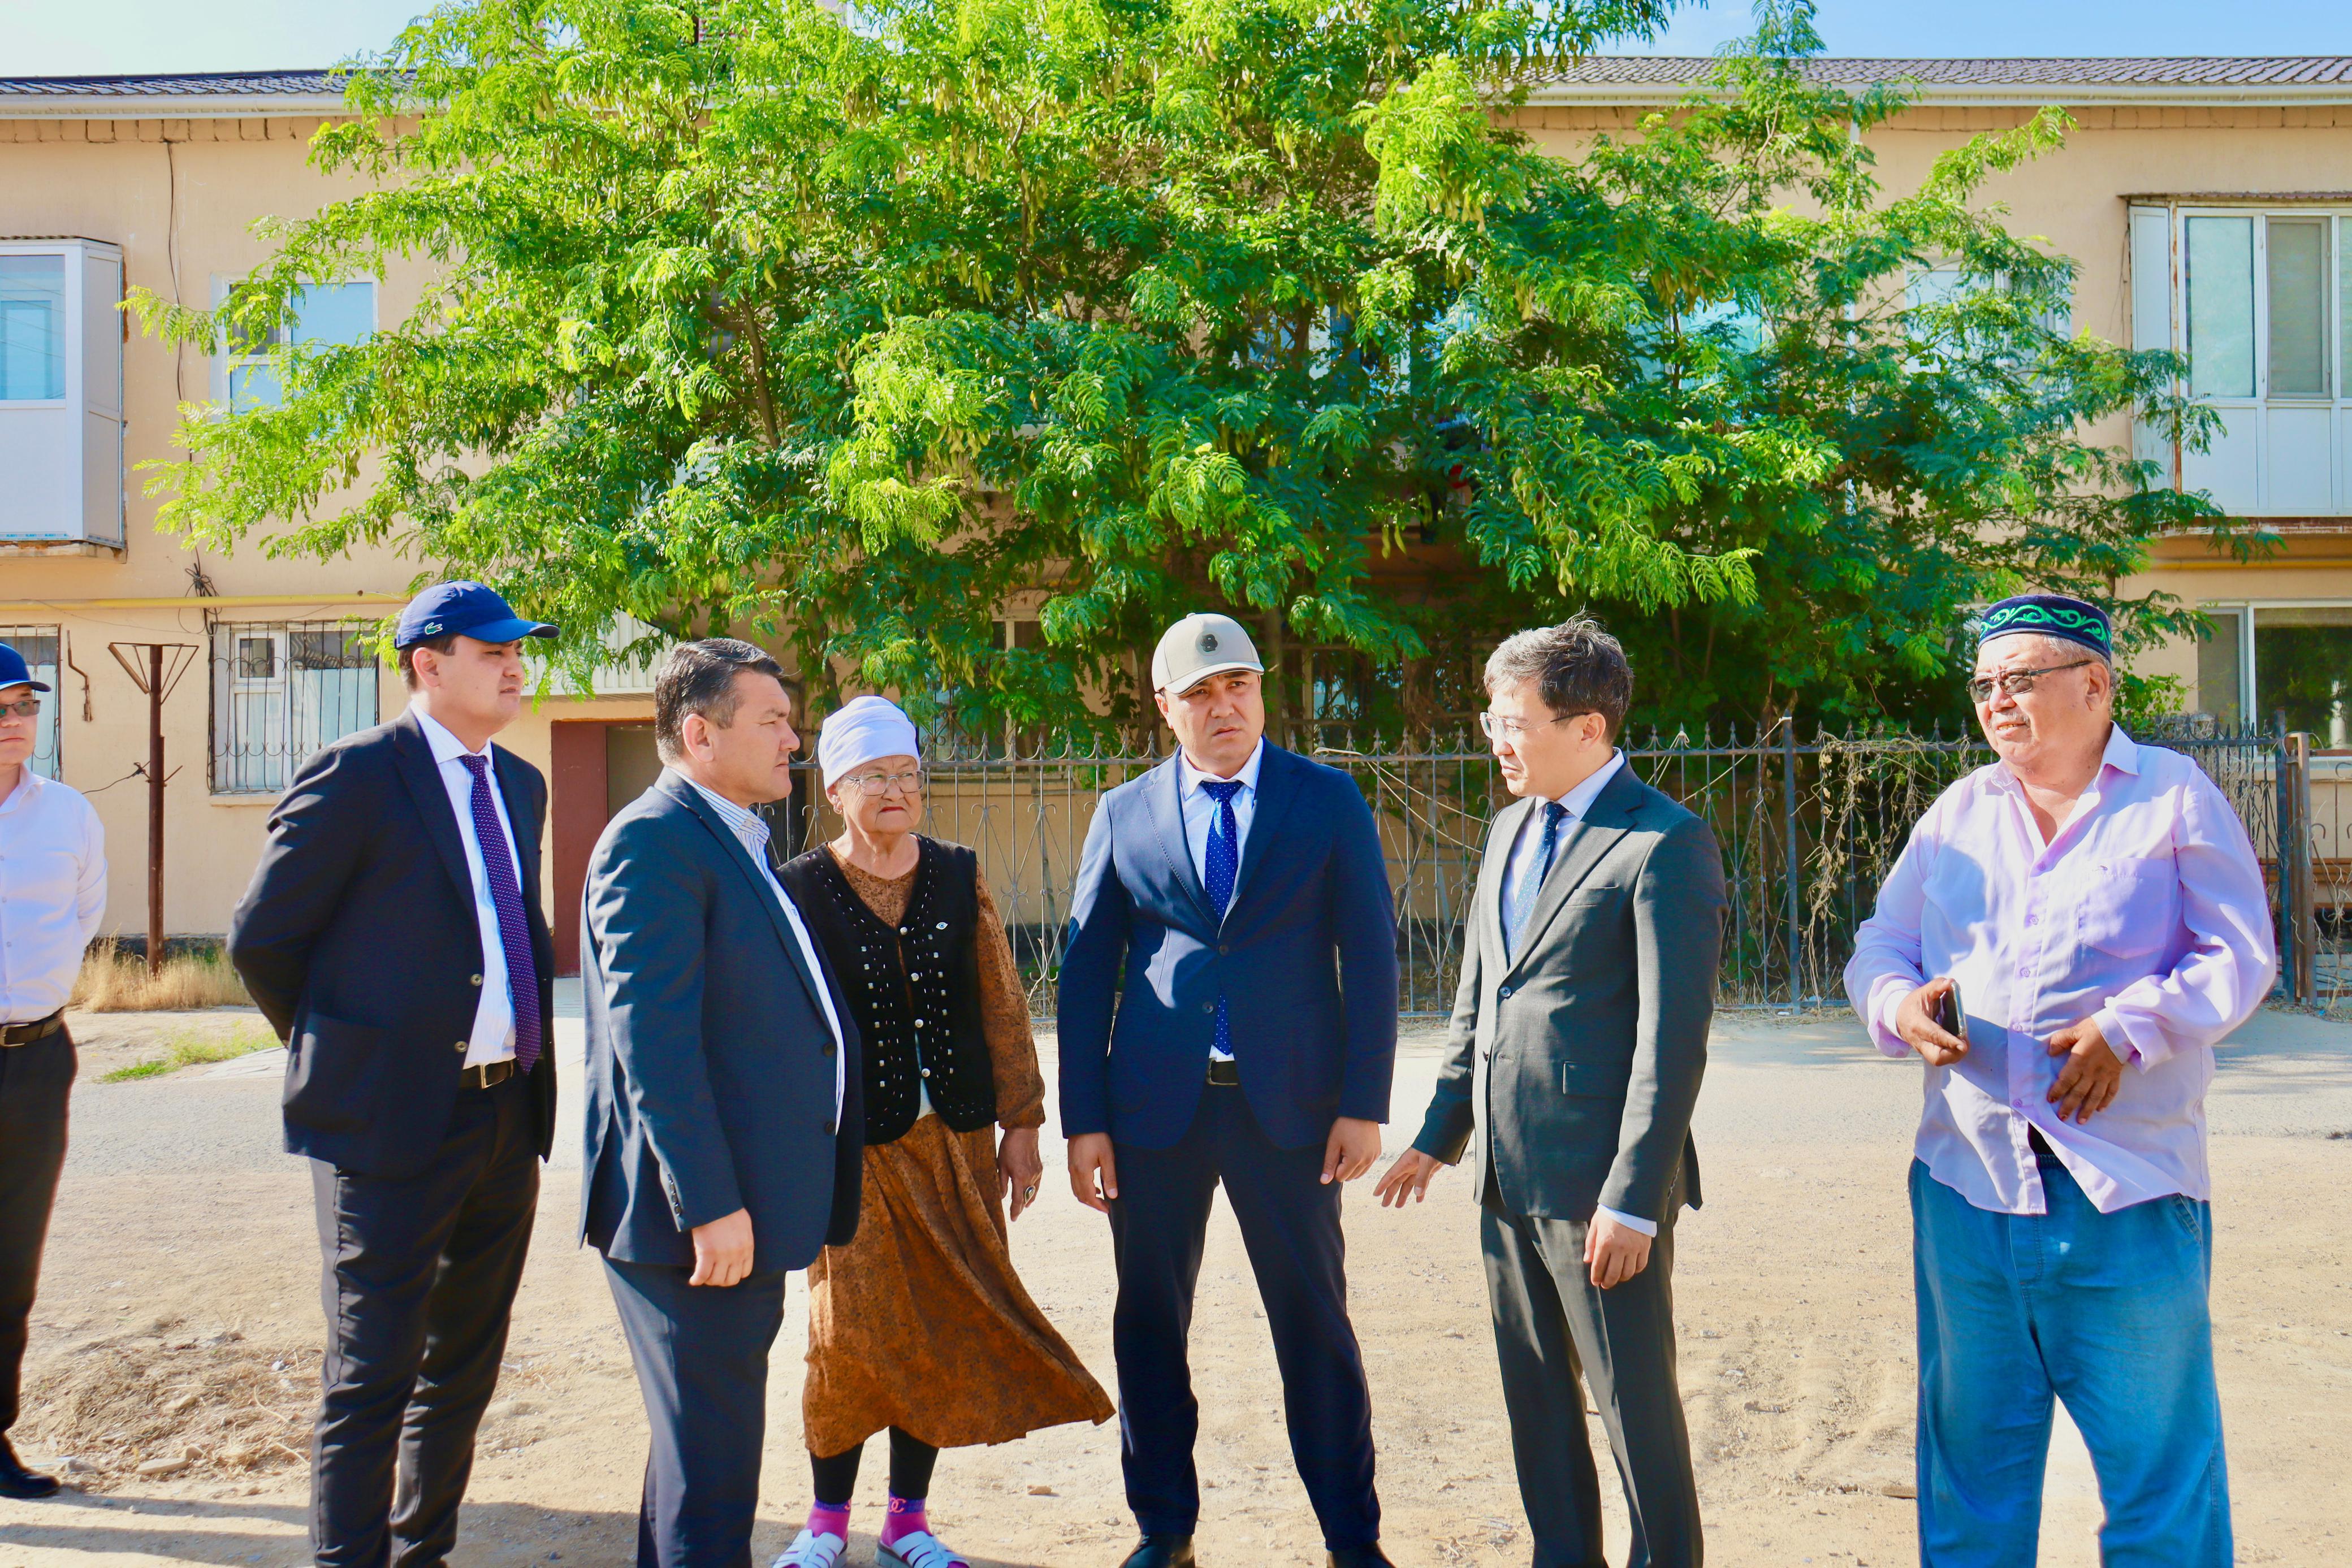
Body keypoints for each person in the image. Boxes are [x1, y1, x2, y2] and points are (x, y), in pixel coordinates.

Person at [1844, 594, 2273, 1567]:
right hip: (1967, 1188)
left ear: (2095, 685)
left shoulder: (2171, 797)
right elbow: (1881, 943)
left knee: (2161, 1488)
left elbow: (2239, 953)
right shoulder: (1960, 812)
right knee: (1971, 1487)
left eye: (2020, 679)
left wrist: (2128, 1030)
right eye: (1983, 684)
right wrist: (1900, 1005)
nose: (1996, 700)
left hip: (2124, 1193)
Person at [1374, 617, 1724, 1568]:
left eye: (1514, 721)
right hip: (1503, 1176)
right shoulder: (1507, 830)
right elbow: (1479, 1002)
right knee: (1536, 1404)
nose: (1497, 739)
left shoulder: (1663, 843)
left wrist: (1633, 1198)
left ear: (1588, 728)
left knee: (1633, 1410)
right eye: (1492, 719)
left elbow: (1673, 1043)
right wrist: (1438, 1133)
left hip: (1601, 1190)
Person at [229, 582, 561, 1568]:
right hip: (387, 1125)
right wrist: (352, 1055)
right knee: (372, 1371)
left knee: (464, 1363)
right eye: (492, 650)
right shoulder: (360, 773)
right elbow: (262, 939)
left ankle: (424, 1551)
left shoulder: (520, 783)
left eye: (519, 649)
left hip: (505, 1114)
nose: (515, 665)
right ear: (427, 662)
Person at [1059, 612, 1400, 1568]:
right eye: (1201, 692)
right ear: (1165, 706)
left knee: (1315, 1328)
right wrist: (1085, 1119)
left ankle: (1352, 1538)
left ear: (1260, 691)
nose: (1224, 706)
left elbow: (1372, 952)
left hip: (1291, 1113)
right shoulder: (1123, 812)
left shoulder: (1326, 799)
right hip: (1154, 1115)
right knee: (1149, 1324)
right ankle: (1165, 1529)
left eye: (1238, 685)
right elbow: (1086, 973)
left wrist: (1363, 1102)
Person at [772, 695, 1112, 1568]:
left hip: (956, 1141)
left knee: (941, 1325)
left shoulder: (958, 874)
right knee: (846, 1337)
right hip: (856, 1153)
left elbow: (1001, 1000)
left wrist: (1022, 1121)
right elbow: (783, 1026)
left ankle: (906, 1522)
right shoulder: (800, 887)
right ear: (836, 788)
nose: (896, 790)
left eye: (908, 774)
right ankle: (824, 1525)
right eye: (875, 776)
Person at [580, 639, 863, 1568]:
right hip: (693, 1227)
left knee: (696, 1465)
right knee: (712, 1481)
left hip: (732, 1216)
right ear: (700, 734)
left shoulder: (729, 835)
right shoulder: (653, 842)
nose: (795, 741)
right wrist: (709, 1202)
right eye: (773, 721)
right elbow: (655, 1046)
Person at [0, 642, 105, 1502]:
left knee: (12, 1259)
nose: (14, 721)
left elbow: (84, 914)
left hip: (36, 1059)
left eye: (25, 705)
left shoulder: (68, 813)